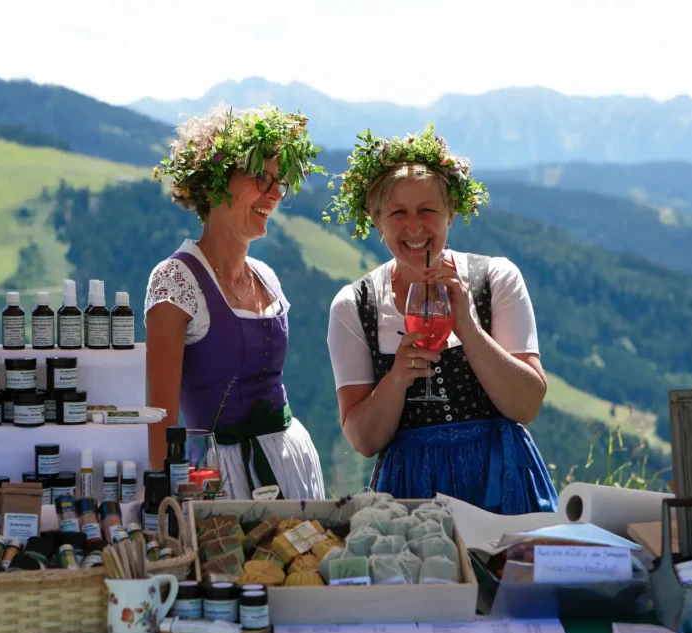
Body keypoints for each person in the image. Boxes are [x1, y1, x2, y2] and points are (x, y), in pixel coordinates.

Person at [325, 123, 557, 513]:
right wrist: (397, 379)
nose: (414, 226)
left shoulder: (496, 278)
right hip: (410, 488)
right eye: (397, 212)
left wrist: (467, 325)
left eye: (427, 210)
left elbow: (527, 406)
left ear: (451, 213)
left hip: (502, 481)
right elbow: (364, 441)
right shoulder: (354, 304)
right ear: (376, 220)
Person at [146, 105, 326, 500]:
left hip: (288, 461)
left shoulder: (267, 277)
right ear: (213, 185)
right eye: (262, 178)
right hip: (218, 476)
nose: (276, 194)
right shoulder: (175, 280)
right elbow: (159, 421)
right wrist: (165, 506)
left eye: (280, 182)